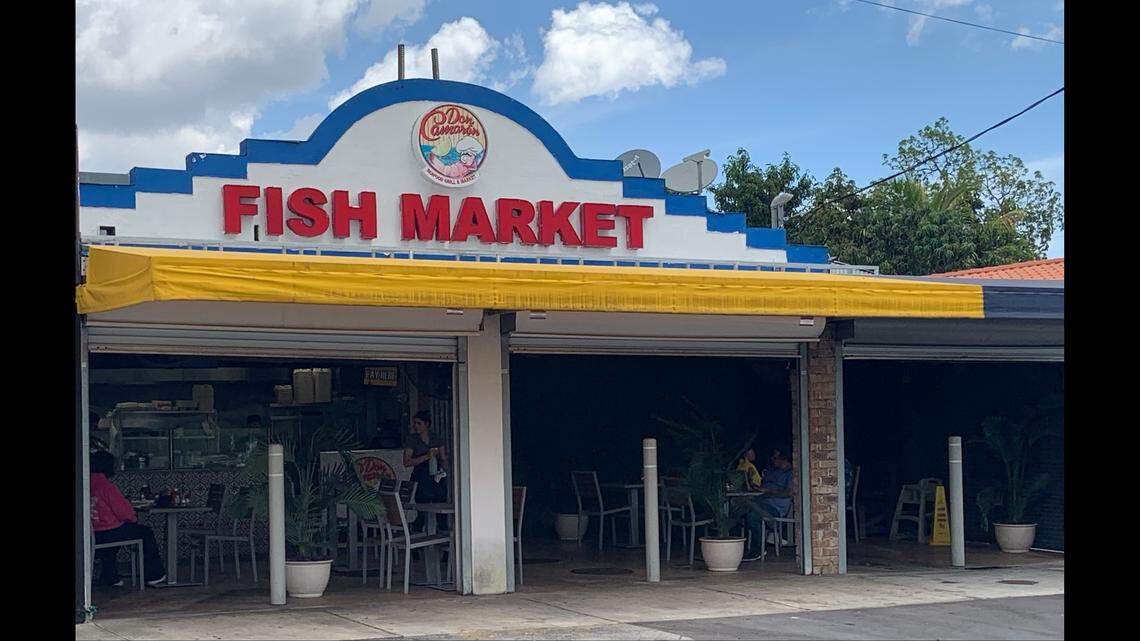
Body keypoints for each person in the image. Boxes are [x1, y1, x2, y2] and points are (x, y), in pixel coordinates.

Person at [89, 451, 167, 587]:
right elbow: (125, 513)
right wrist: (133, 516)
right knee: (145, 533)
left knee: (115, 540)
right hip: (110, 531)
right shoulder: (106, 486)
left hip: (93, 533)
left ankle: (110, 576)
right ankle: (155, 575)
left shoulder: (85, 484)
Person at [742, 447, 795, 561]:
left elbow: (790, 493)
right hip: (761, 501)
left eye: (775, 458)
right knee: (740, 509)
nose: (773, 460)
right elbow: (763, 486)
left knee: (753, 516)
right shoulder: (771, 471)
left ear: (783, 458)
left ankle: (758, 550)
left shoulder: (790, 473)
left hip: (775, 508)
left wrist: (769, 491)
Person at [403, 411, 449, 530]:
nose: (416, 426)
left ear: (427, 424)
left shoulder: (436, 438)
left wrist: (443, 470)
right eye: (415, 424)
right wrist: (426, 456)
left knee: (441, 511)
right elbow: (407, 462)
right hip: (421, 476)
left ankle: (443, 540)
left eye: (419, 423)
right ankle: (417, 541)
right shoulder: (412, 439)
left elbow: (444, 458)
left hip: (436, 476)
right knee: (421, 511)